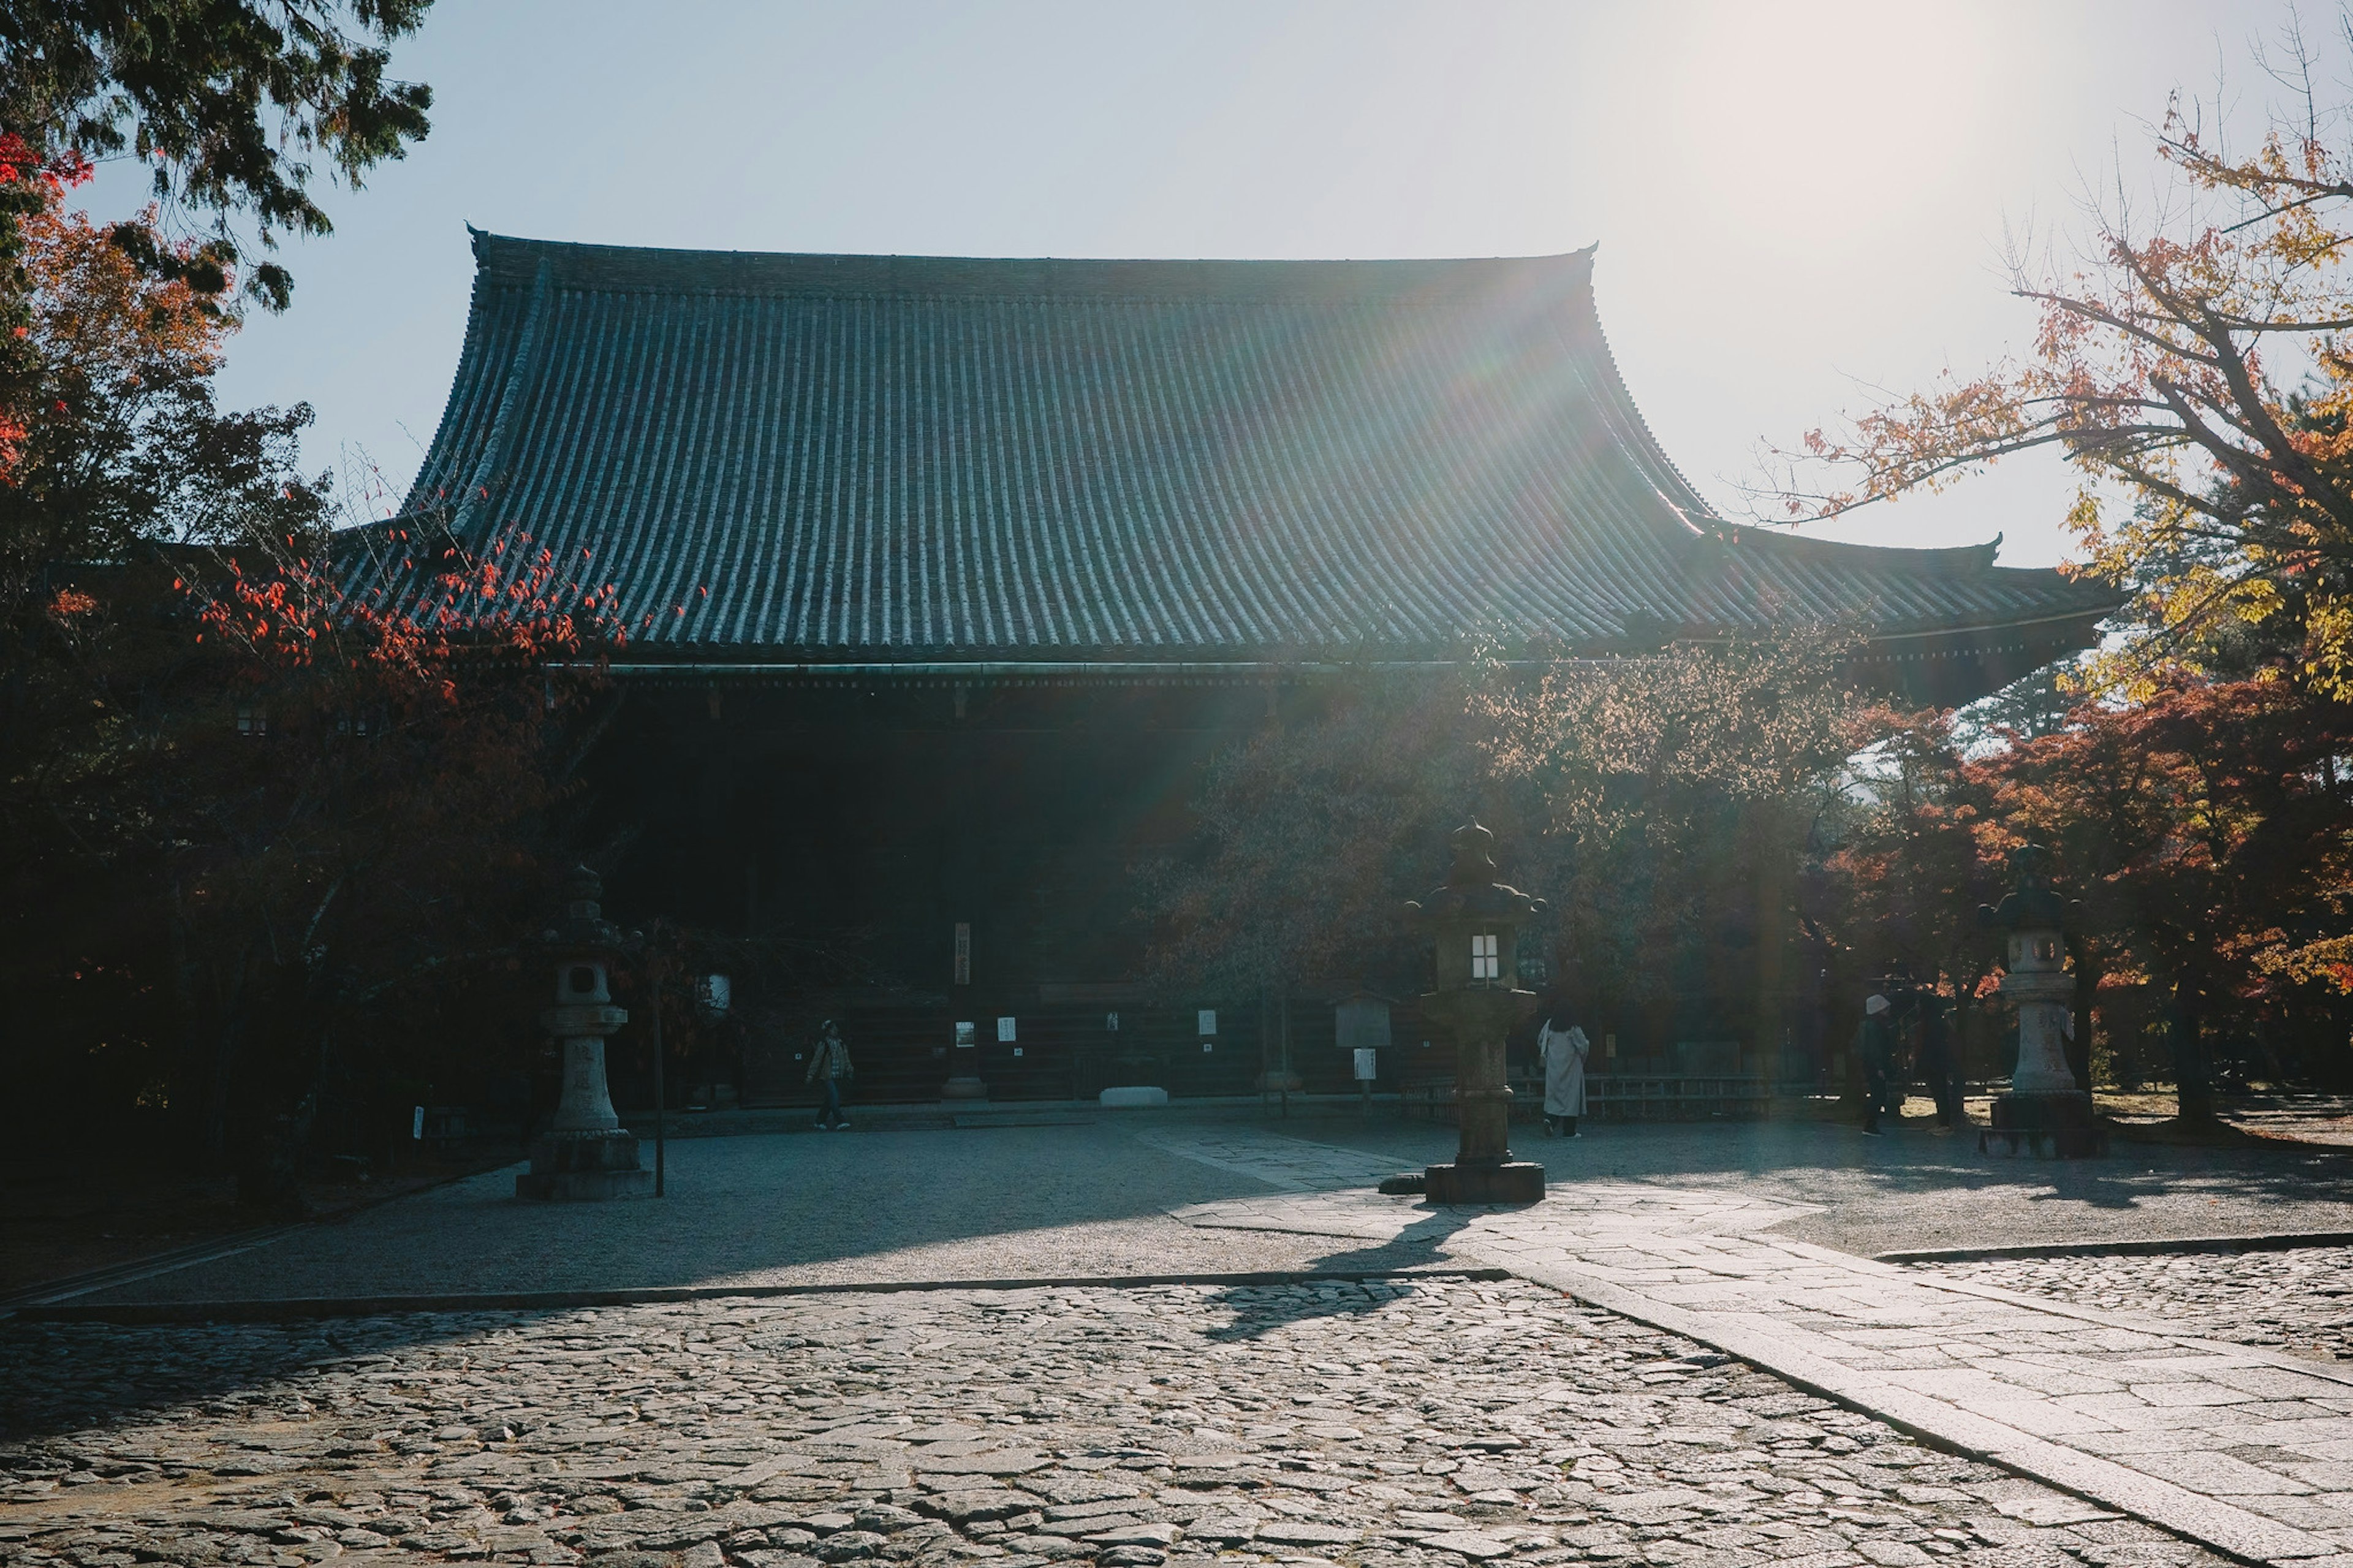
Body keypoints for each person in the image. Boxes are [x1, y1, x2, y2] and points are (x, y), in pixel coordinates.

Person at [1538, 1013, 1590, 1137]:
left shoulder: (1549, 1025)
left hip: (1553, 1068)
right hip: (1571, 1068)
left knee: (1554, 1098)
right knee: (1571, 1100)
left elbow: (1540, 1041)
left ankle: (1551, 1120)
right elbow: (1583, 1046)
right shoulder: (1573, 1028)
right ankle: (1569, 1131)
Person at [1857, 993, 1894, 1135]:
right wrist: (1879, 1067)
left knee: (1878, 1094)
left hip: (1871, 1065)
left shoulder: (1869, 1025)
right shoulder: (1875, 1027)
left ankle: (1871, 1125)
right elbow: (1875, 1048)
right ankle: (1870, 1125)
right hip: (1875, 1065)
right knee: (1879, 1095)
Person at [806, 1019, 852, 1129]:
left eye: (836, 1028)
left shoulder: (841, 1043)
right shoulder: (824, 1044)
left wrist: (850, 1070)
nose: (835, 1030)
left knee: (829, 1100)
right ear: (827, 1031)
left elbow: (846, 1059)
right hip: (828, 1076)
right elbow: (817, 1060)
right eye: (832, 1028)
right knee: (834, 1098)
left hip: (838, 1076)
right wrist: (810, 1074)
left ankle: (819, 1121)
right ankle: (840, 1121)